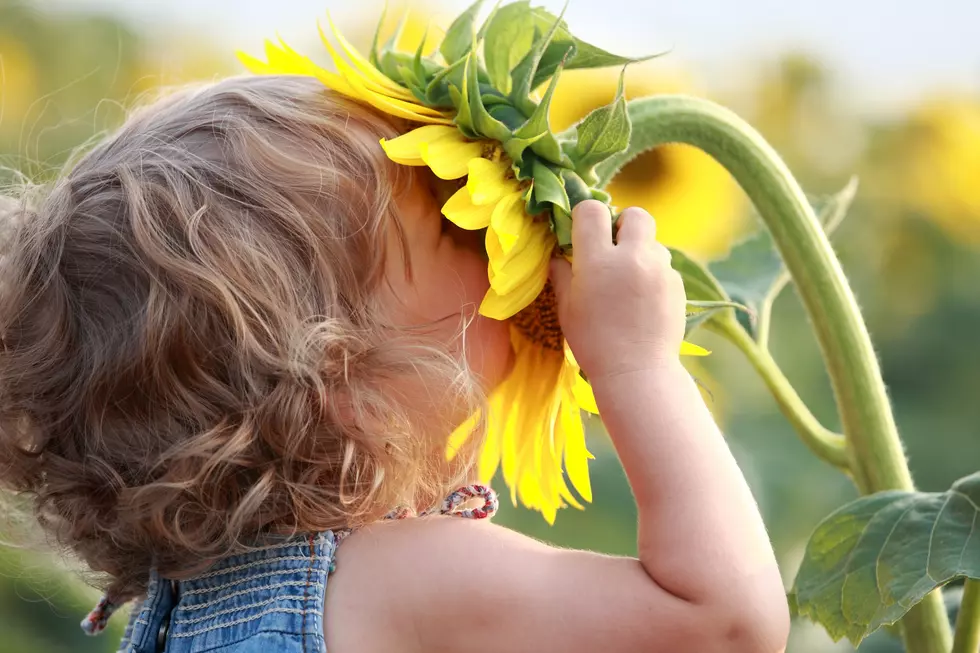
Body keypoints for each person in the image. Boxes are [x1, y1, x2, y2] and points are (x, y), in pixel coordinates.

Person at [0, 75, 789, 653]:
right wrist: (638, 364)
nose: (496, 253)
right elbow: (723, 622)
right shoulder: (406, 580)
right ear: (349, 387)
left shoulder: (179, 608)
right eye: (456, 229)